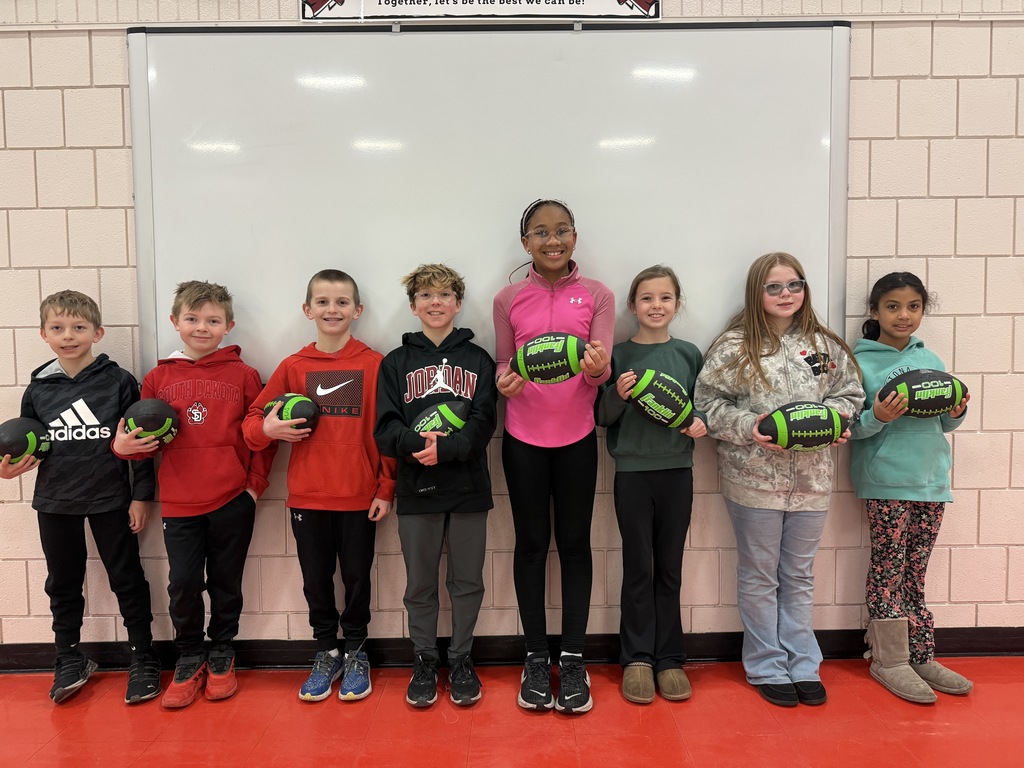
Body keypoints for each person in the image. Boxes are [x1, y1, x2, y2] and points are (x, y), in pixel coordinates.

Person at [694, 252, 864, 708]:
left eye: (794, 284)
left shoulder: (825, 347)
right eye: (774, 287)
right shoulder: (733, 347)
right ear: (757, 292)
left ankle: (803, 663)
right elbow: (708, 406)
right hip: (753, 481)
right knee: (759, 576)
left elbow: (851, 394)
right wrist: (750, 426)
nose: (786, 294)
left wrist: (840, 420)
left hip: (813, 483)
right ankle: (767, 664)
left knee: (799, 575)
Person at [113, 280, 276, 709]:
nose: (201, 327)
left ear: (228, 326)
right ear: (175, 322)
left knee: (226, 583)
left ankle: (222, 652)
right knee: (183, 584)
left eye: (212, 320)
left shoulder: (243, 374)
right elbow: (133, 440)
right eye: (192, 319)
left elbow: (263, 437)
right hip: (180, 502)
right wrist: (122, 450)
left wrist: (253, 490)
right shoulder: (158, 377)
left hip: (231, 500)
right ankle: (189, 654)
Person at [242, 269, 396, 704]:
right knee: (316, 580)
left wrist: (386, 487)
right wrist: (269, 429)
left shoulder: (374, 363)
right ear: (307, 310)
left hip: (359, 497)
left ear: (357, 310)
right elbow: (253, 425)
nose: (333, 309)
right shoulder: (293, 367)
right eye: (323, 302)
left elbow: (385, 433)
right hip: (307, 498)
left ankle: (357, 652)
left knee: (357, 578)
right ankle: (326, 651)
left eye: (342, 302)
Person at [0, 290, 159, 705]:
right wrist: (5, 467)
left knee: (127, 579)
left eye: (78, 327)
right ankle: (68, 658)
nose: (68, 335)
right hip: (55, 503)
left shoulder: (119, 381)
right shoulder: (38, 389)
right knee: (63, 584)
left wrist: (141, 497)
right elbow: (26, 445)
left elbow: (140, 444)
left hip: (110, 499)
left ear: (97, 332)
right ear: (43, 334)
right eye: (58, 328)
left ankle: (143, 657)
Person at [493, 199, 614, 714]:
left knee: (575, 546)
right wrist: (505, 382)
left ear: (574, 236)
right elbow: (503, 363)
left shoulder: (598, 296)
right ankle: (536, 657)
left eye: (561, 230)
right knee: (530, 546)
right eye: (540, 232)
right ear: (525, 243)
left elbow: (601, 373)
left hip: (577, 438)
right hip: (522, 437)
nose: (552, 239)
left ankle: (575, 656)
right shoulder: (507, 298)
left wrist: (596, 369)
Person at [374, 264, 497, 708]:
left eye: (445, 295)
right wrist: (415, 444)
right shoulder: (396, 362)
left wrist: (448, 450)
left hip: (467, 487)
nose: (436, 303)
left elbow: (484, 423)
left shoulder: (479, 359)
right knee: (420, 584)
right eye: (426, 296)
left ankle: (461, 658)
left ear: (458, 303)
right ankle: (425, 659)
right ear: (413, 306)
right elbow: (384, 428)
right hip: (416, 487)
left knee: (466, 582)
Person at [849, 272, 972, 704]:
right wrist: (877, 415)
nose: (904, 315)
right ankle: (889, 659)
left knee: (915, 572)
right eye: (893, 306)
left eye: (913, 307)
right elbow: (851, 429)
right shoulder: (859, 362)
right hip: (886, 480)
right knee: (888, 568)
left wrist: (956, 411)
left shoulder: (932, 360)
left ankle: (921, 654)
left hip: (931, 479)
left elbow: (943, 423)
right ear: (876, 311)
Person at [596, 265, 707, 705]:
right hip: (632, 475)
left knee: (669, 567)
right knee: (638, 566)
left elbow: (703, 410)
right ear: (632, 306)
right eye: (647, 298)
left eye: (664, 298)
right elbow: (601, 417)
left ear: (677, 304)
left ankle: (670, 658)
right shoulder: (618, 356)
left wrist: (700, 423)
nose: (656, 306)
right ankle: (637, 657)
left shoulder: (688, 354)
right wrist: (617, 396)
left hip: (677, 472)